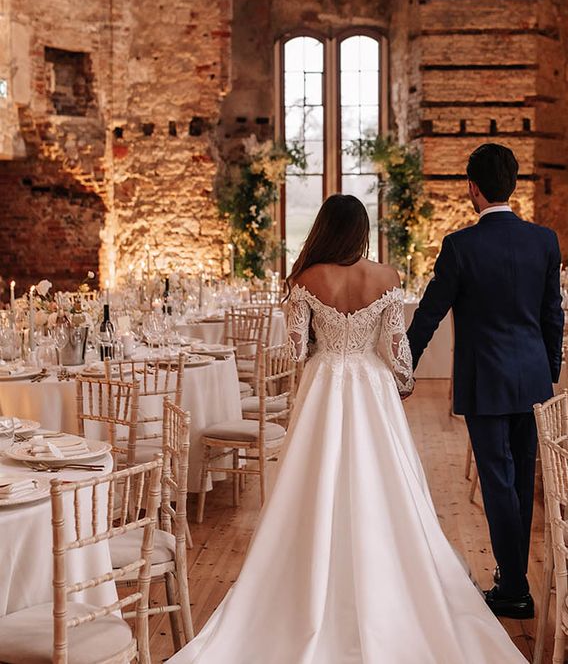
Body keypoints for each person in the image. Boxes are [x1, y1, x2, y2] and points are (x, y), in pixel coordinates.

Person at [168, 194, 526, 663]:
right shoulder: (386, 278)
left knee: (314, 483)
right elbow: (397, 351)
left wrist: (319, 338)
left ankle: (310, 577)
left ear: (325, 229)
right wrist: (403, 383)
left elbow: (295, 352)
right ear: (362, 231)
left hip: (324, 386)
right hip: (372, 388)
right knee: (384, 482)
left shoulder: (306, 279)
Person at [407, 144, 564, 619]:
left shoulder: (460, 247)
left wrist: (401, 365)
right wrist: (549, 370)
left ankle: (514, 586)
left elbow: (429, 315)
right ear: (512, 185)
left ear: (472, 188)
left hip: (487, 382)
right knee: (521, 476)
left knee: (499, 480)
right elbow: (552, 315)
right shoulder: (545, 241)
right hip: (533, 379)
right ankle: (513, 579)